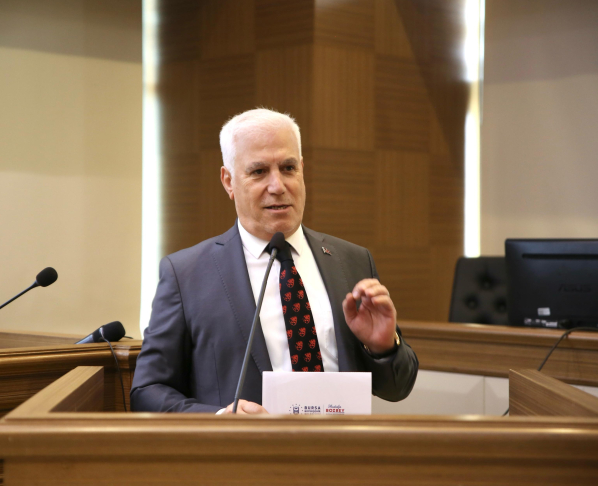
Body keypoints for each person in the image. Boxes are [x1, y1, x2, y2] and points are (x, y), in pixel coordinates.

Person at [131, 109, 418, 414]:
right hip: (243, 446)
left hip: (340, 443)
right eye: (258, 171)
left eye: (288, 168)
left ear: (302, 170)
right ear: (228, 181)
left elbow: (397, 388)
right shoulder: (186, 274)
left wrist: (384, 348)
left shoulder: (352, 261)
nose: (277, 186)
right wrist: (219, 420)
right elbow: (147, 392)